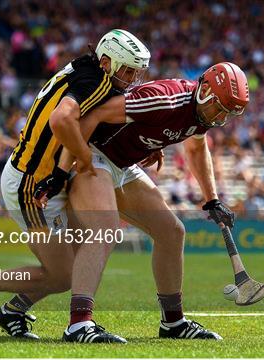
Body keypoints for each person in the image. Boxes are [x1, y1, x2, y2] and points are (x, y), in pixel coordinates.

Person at [0, 29, 151, 342]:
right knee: (62, 274)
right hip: (31, 184)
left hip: (45, 177)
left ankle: (13, 310)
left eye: (136, 72)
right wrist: (83, 159)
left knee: (81, 256)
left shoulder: (90, 70)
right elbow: (61, 120)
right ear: (107, 61)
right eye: (128, 70)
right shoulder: (94, 81)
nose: (132, 78)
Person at [36, 62, 250, 342]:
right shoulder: (164, 97)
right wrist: (63, 169)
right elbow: (92, 115)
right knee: (105, 229)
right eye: (219, 108)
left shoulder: (203, 113)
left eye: (227, 114)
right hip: (94, 152)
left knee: (172, 233)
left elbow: (196, 148)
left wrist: (212, 199)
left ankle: (173, 323)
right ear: (206, 89)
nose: (219, 118)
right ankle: (78, 324)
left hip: (123, 165)